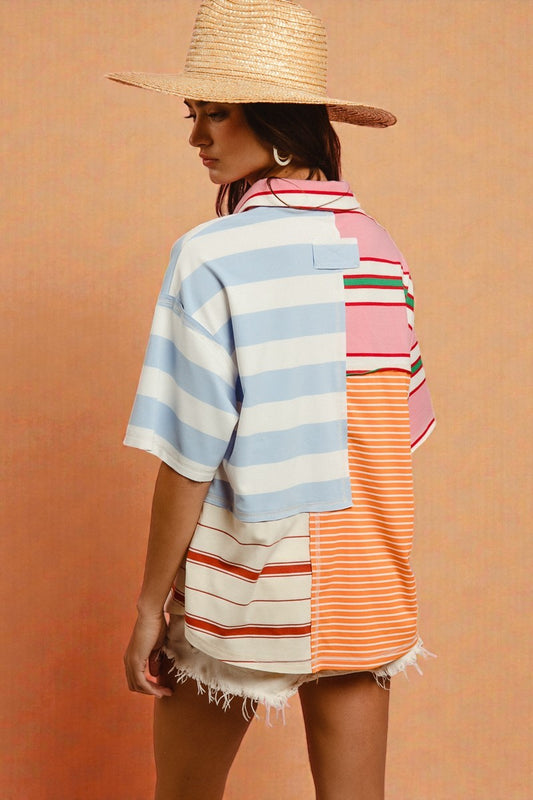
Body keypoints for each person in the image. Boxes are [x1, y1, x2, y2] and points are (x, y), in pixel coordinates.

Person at [107, 1, 436, 798]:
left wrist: (151, 605)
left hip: (247, 585)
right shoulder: (380, 251)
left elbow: (190, 451)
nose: (197, 138)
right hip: (366, 581)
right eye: (195, 114)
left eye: (215, 113)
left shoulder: (211, 254)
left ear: (277, 120)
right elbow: (404, 427)